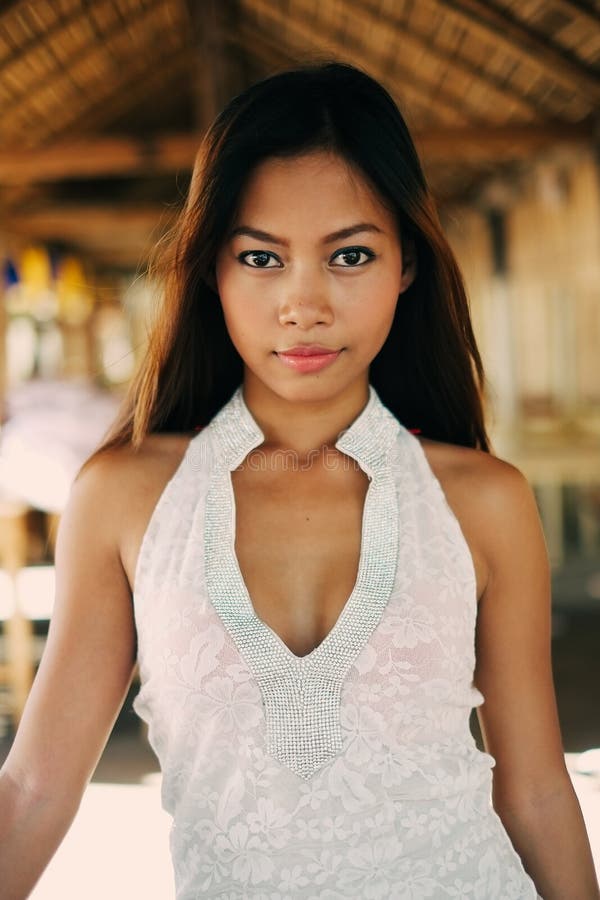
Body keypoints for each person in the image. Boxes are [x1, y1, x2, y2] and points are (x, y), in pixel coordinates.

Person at [0, 61, 598, 900]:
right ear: (212, 269)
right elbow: (33, 789)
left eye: (349, 254)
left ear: (408, 266)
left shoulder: (485, 501)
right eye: (261, 257)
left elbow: (534, 788)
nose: (302, 303)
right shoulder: (127, 498)